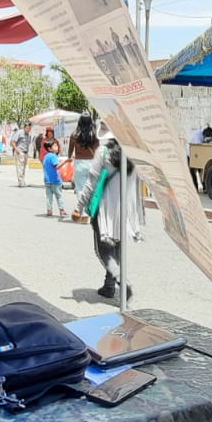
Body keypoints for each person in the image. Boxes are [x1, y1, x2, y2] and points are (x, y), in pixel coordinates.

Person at [89, 137, 145, 299]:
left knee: (103, 251)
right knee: (117, 250)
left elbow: (92, 183)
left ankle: (121, 281)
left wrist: (80, 206)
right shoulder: (131, 155)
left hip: (105, 209)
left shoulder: (104, 153)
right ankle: (109, 286)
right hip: (124, 210)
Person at [68, 113, 101, 222]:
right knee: (91, 189)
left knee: (80, 189)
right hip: (92, 163)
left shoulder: (74, 135)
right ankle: (88, 214)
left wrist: (69, 158)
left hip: (79, 163)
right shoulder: (94, 135)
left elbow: (70, 150)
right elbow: (97, 150)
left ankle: (81, 213)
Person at [42, 145, 65, 216]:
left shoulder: (46, 156)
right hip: (55, 180)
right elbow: (57, 167)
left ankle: (49, 210)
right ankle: (62, 210)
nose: (57, 147)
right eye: (55, 146)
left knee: (49, 196)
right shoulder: (53, 156)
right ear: (49, 148)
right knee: (59, 196)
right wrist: (65, 162)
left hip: (47, 180)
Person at [12, 122, 33, 187]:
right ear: (24, 127)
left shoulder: (29, 135)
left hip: (25, 152)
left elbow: (28, 144)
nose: (28, 130)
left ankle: (22, 181)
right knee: (20, 167)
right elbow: (13, 141)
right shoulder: (19, 133)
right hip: (20, 151)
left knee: (23, 168)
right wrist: (16, 149)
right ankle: (20, 182)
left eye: (30, 128)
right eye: (27, 128)